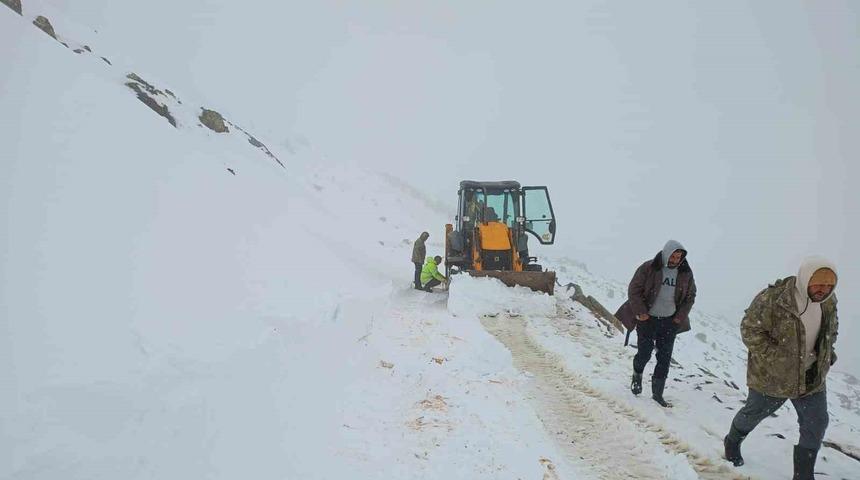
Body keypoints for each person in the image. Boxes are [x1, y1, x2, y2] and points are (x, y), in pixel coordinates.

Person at [724, 257, 838, 480]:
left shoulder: (829, 302)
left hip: (811, 377)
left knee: (816, 422)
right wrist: (776, 359)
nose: (823, 290)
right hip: (772, 378)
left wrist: (827, 352)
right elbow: (750, 330)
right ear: (806, 278)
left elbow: (831, 330)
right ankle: (733, 440)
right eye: (819, 284)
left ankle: (803, 475)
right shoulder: (775, 298)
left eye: (829, 286)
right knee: (752, 414)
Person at [614, 240, 697, 407]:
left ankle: (657, 394)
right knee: (644, 353)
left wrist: (678, 318)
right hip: (647, 320)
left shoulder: (685, 273)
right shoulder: (649, 267)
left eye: (678, 256)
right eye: (673, 255)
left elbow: (690, 297)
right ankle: (637, 376)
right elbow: (634, 290)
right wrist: (641, 313)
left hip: (669, 322)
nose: (675, 259)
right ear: (666, 253)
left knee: (664, 359)